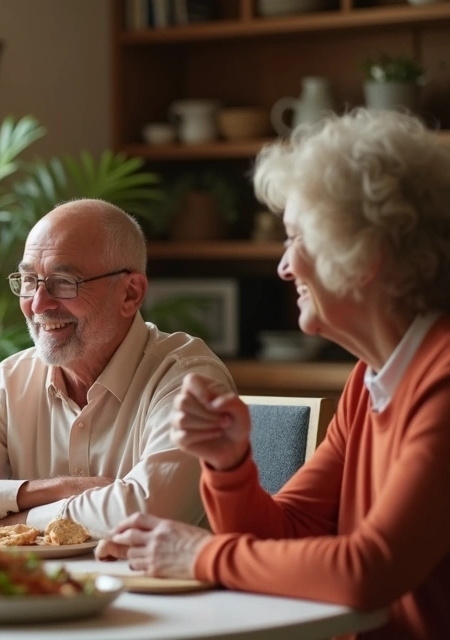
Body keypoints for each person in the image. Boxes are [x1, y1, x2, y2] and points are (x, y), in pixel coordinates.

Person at [105, 109, 450, 638]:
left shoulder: (441, 379)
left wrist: (199, 554)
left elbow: (369, 570)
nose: (283, 267)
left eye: (296, 239)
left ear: (365, 255)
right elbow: (284, 535)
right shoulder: (369, 380)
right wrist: (229, 464)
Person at [0, 199, 234, 538]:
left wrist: (12, 521)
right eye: (28, 281)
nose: (38, 304)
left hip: (159, 593)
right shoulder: (12, 382)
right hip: (35, 591)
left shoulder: (189, 380)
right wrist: (47, 490)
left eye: (64, 282)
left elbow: (145, 515)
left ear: (130, 293)